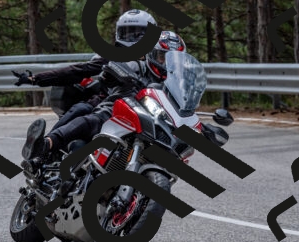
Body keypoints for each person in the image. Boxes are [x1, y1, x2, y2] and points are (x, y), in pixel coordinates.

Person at [22, 30, 188, 162]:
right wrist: (113, 73)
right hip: (120, 111)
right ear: (152, 54)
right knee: (90, 119)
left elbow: (184, 108)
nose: (167, 63)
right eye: (162, 57)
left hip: (150, 123)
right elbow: (97, 69)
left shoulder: (175, 84)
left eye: (173, 60)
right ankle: (46, 144)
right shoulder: (136, 64)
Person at [13, 9, 157, 133]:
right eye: (127, 33)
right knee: (80, 110)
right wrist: (36, 79)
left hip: (149, 107)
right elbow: (78, 70)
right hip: (109, 104)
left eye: (138, 34)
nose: (131, 39)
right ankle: (47, 145)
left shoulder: (160, 57)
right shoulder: (113, 56)